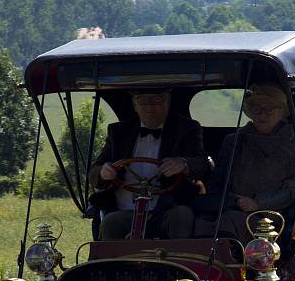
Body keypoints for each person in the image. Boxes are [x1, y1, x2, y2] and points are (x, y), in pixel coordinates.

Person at [88, 89, 210, 240]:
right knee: (110, 223)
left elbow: (203, 164)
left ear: (167, 102)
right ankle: (114, 263)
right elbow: (94, 173)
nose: (149, 107)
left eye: (156, 100)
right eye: (143, 101)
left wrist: (183, 164)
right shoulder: (119, 131)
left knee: (183, 215)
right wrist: (103, 172)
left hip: (167, 208)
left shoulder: (186, 129)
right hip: (124, 209)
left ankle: (180, 261)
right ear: (134, 105)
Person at [196, 83, 295, 244]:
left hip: (273, 215)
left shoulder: (294, 143)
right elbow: (217, 180)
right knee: (197, 221)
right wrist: (223, 201)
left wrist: (258, 203)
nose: (262, 114)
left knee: (229, 221)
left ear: (282, 113)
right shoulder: (234, 141)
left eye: (269, 109)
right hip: (231, 207)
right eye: (257, 109)